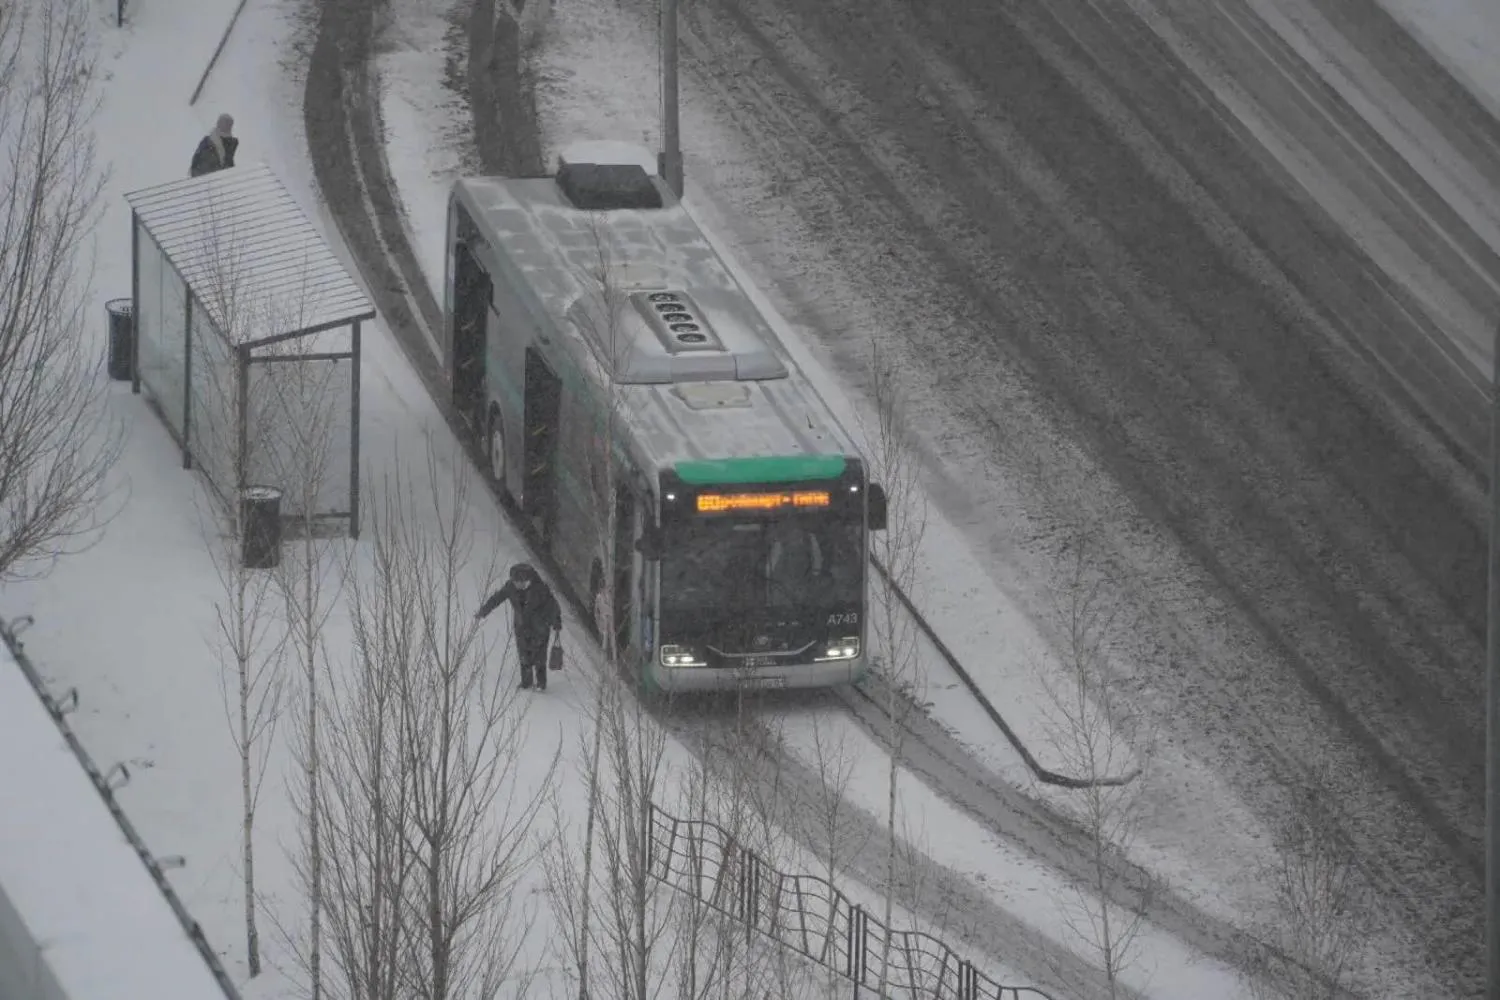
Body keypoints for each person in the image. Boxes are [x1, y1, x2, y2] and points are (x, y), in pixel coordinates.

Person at [475, 562, 562, 690]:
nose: (518, 585)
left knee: (539, 657)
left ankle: (541, 684)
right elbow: (497, 598)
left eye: (520, 582)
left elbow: (553, 607)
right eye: (515, 582)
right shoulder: (510, 587)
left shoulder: (540, 589)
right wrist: (483, 611)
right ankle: (526, 683)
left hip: (540, 627)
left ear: (527, 580)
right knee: (524, 656)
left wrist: (556, 623)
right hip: (521, 627)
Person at [190, 113, 239, 178]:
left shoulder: (230, 144)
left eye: (229, 124)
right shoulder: (207, 142)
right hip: (208, 181)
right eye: (224, 123)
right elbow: (197, 166)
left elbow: (229, 166)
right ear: (218, 124)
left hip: (223, 181)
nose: (227, 126)